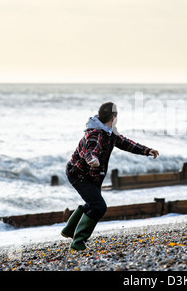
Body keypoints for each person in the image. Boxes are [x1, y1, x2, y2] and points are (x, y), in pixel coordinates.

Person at [62, 102, 159, 251]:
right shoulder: (95, 133)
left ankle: (69, 230)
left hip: (92, 175)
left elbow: (125, 143)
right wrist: (92, 159)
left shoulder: (110, 132)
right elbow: (91, 150)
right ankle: (78, 242)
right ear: (114, 117)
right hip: (79, 175)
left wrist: (147, 150)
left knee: (93, 203)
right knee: (99, 206)